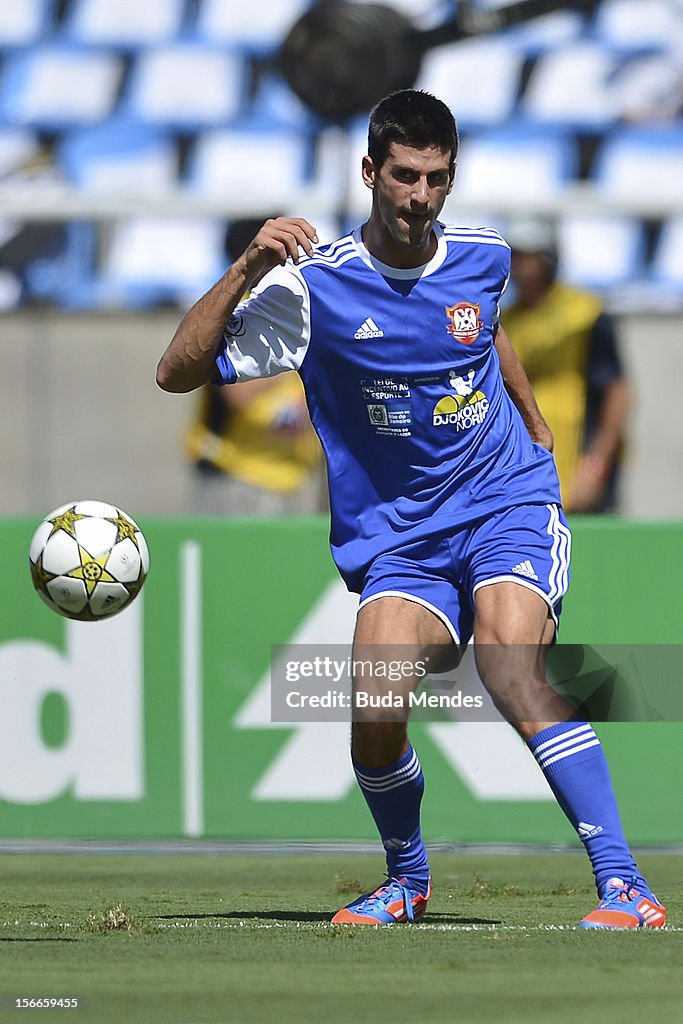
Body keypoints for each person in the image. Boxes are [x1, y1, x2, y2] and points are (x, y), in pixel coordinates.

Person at [157, 89, 665, 930]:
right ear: (370, 172)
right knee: (374, 707)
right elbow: (176, 373)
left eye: (435, 179)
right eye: (403, 176)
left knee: (510, 666)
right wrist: (249, 266)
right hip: (400, 539)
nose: (418, 196)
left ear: (450, 178)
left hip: (505, 501)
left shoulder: (484, 255)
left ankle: (624, 885)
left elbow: (482, 329)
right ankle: (407, 880)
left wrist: (534, 426)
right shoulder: (313, 291)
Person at [185, 218, 324, 516]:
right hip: (237, 476)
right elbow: (237, 394)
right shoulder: (238, 313)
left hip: (293, 477)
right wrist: (295, 357)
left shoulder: (297, 313)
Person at [503, 218, 629, 513]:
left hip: (580, 461)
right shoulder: (506, 322)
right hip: (531, 468)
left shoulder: (584, 314)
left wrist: (596, 465)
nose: (520, 265)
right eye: (516, 256)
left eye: (529, 255)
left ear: (549, 257)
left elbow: (617, 391)